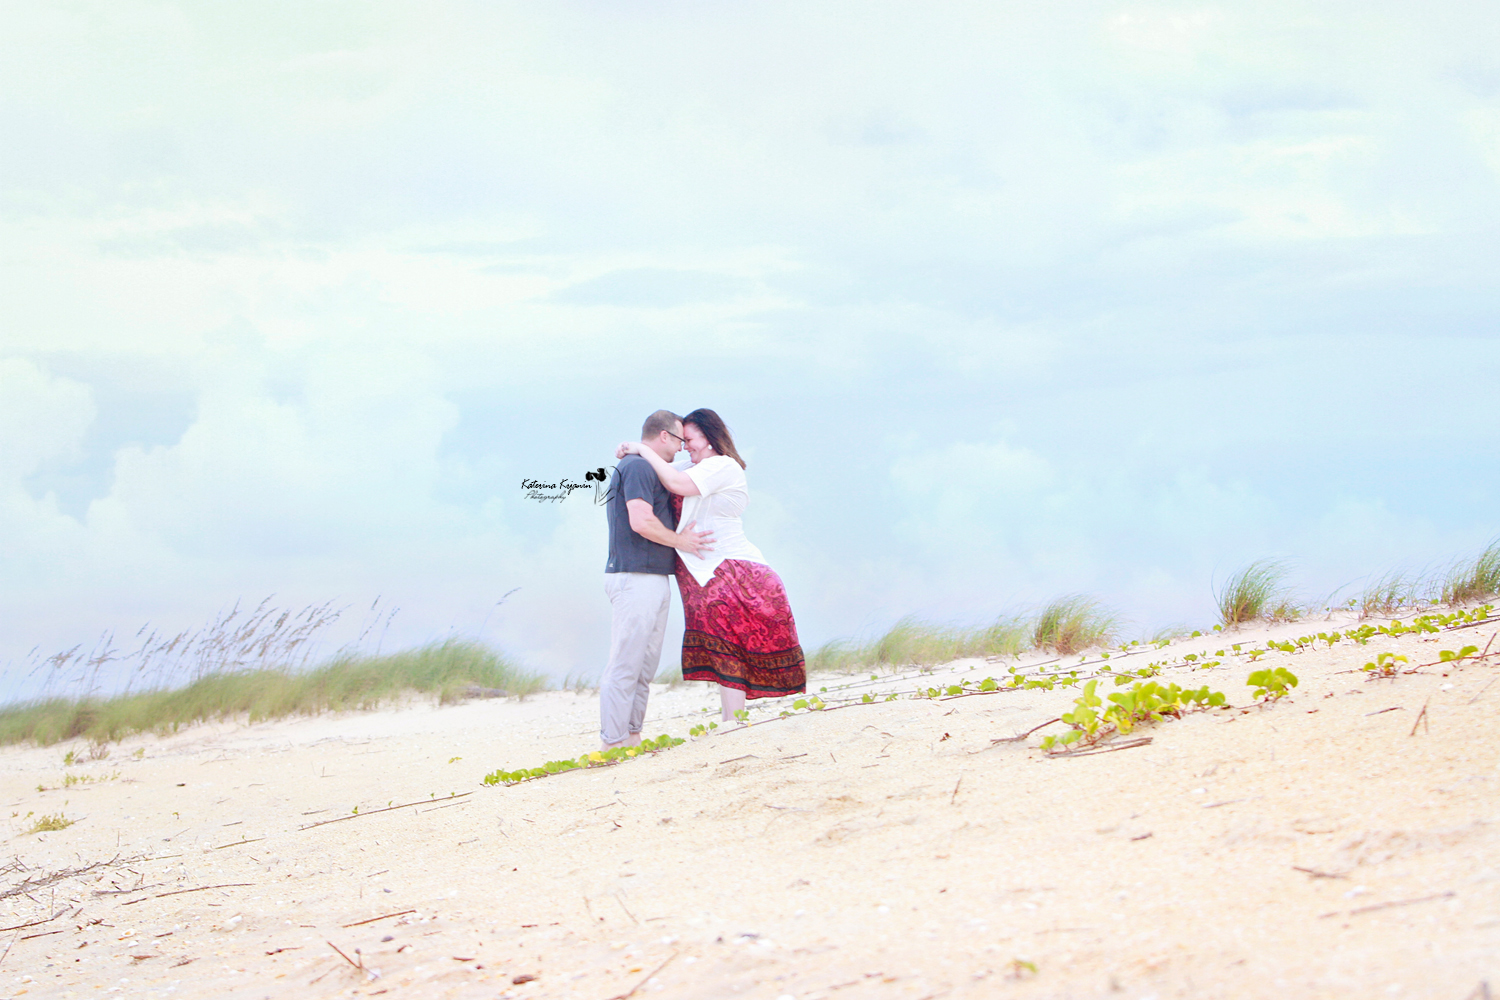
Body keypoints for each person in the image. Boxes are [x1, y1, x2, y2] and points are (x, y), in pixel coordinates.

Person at [616, 408, 806, 722]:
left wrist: (642, 449)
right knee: (723, 646)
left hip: (730, 568)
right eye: (681, 439)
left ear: (707, 437)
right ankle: (732, 719)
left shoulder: (722, 465)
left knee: (730, 643)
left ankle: (732, 721)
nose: (684, 445)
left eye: (689, 439)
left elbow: (675, 482)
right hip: (700, 571)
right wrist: (635, 451)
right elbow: (660, 469)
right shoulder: (692, 465)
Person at [600, 409, 713, 751]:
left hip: (652, 577)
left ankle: (632, 736)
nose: (681, 448)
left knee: (644, 666)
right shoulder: (635, 467)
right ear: (664, 436)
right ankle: (613, 742)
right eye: (679, 440)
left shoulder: (647, 465)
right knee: (625, 663)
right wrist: (682, 541)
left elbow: (693, 471)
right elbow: (640, 521)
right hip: (634, 576)